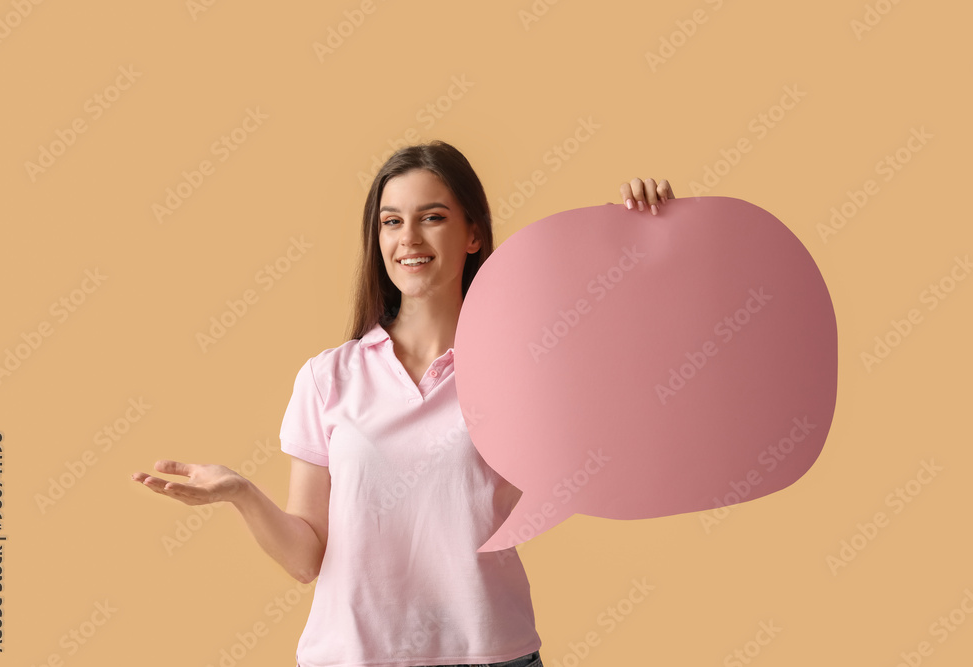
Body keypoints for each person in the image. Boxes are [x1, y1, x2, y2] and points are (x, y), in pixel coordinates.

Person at [132, 140, 674, 667]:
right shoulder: (330, 377)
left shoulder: (524, 368)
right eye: (391, 221)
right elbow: (306, 560)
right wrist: (242, 494)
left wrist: (645, 237)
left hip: (490, 654)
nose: (408, 237)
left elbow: (632, 385)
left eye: (432, 217)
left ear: (473, 234)